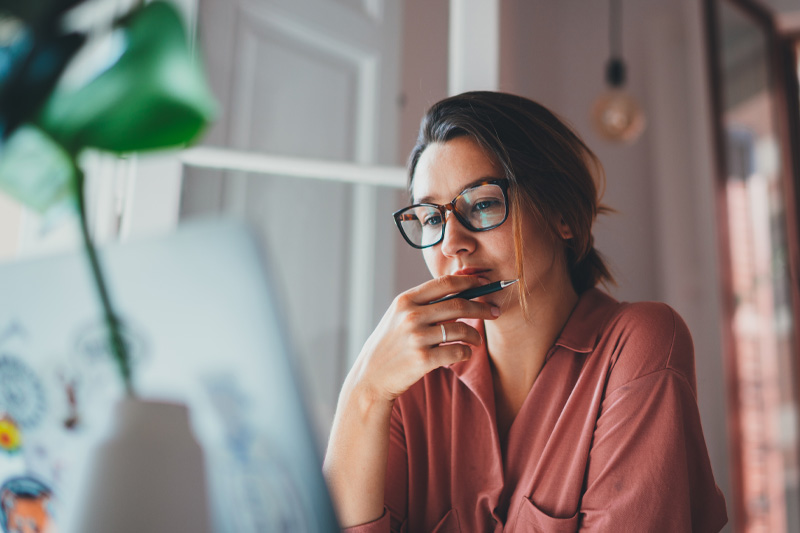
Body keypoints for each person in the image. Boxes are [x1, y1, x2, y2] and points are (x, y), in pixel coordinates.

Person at [323, 91, 727, 532]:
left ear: (562, 215)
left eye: (481, 204)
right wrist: (363, 392)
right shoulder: (411, 381)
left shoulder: (639, 344)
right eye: (432, 219)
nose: (451, 243)